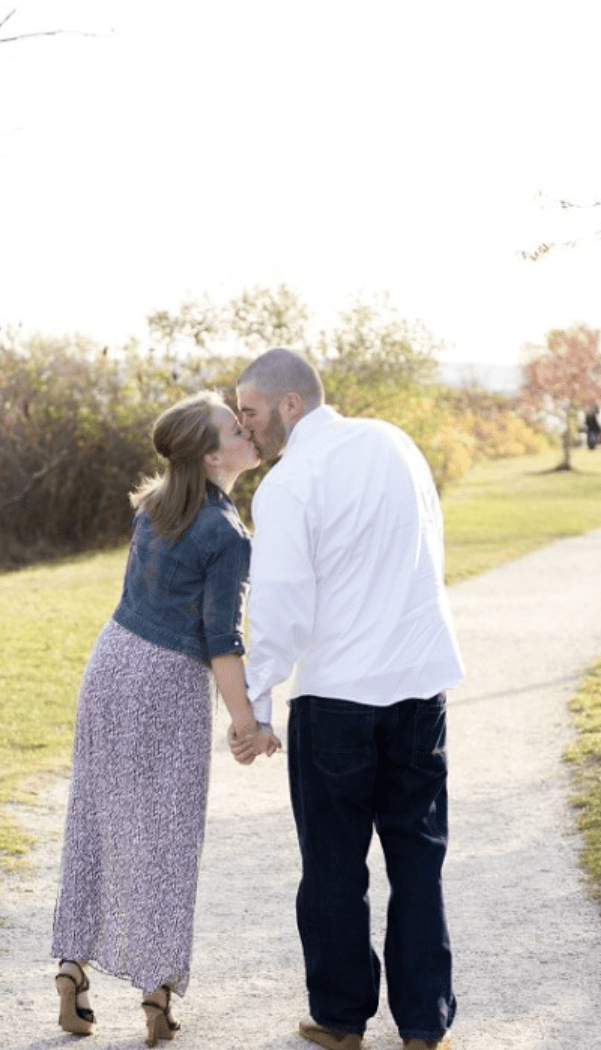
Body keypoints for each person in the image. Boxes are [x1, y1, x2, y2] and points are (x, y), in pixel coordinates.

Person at [231, 349, 465, 1050]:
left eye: (251, 412)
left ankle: (340, 1020)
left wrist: (257, 709)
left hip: (337, 699)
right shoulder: (395, 442)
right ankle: (425, 1026)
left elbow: (278, 607)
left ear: (290, 405)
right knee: (418, 860)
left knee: (333, 866)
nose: (247, 427)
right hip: (420, 687)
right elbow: (429, 546)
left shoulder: (288, 482)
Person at [51, 390, 281, 1042]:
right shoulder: (228, 535)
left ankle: (72, 968)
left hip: (110, 663)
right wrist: (246, 725)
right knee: (164, 842)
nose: (250, 434)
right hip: (164, 684)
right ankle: (156, 997)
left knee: (94, 821)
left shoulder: (155, 508)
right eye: (239, 428)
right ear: (214, 454)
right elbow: (219, 641)